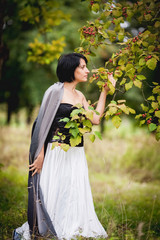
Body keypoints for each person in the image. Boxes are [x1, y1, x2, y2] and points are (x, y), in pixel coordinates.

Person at [13, 53, 116, 240]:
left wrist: (105, 92)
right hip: (56, 151)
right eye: (82, 67)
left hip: (75, 152)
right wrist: (40, 155)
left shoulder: (80, 95)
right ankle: (48, 226)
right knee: (55, 189)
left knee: (72, 189)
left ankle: (70, 223)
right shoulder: (55, 92)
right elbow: (43, 124)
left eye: (85, 67)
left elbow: (95, 119)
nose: (86, 70)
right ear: (71, 69)